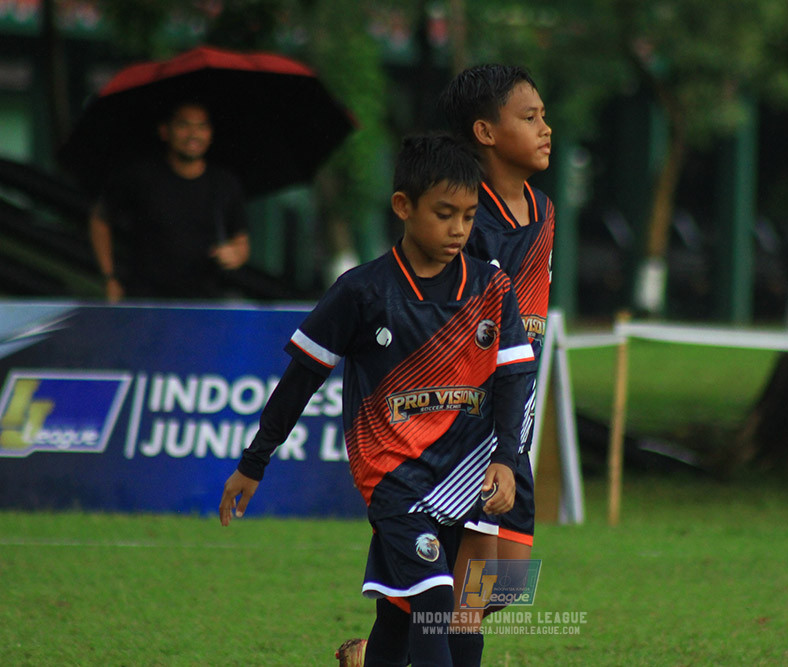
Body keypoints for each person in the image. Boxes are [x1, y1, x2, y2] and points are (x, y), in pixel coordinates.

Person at [219, 133, 535, 667]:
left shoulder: (493, 288)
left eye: (469, 215)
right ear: (403, 207)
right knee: (437, 602)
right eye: (444, 213)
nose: (459, 228)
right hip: (395, 479)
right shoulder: (361, 292)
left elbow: (514, 380)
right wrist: (254, 461)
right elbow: (300, 380)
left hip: (469, 476)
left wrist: (506, 456)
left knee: (432, 615)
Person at [438, 64, 555, 665]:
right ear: (485, 131)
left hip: (515, 411)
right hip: (466, 415)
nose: (546, 129)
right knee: (470, 588)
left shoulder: (543, 208)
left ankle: (386, 651)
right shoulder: (461, 216)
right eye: (529, 118)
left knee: (495, 585)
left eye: (543, 117)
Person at [88, 100, 249, 301]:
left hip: (206, 302)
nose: (193, 134)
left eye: (201, 126)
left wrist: (235, 254)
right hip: (145, 300)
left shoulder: (224, 183)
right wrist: (109, 277)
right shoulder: (140, 177)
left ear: (210, 134)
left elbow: (241, 241)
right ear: (164, 131)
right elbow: (100, 219)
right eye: (184, 125)